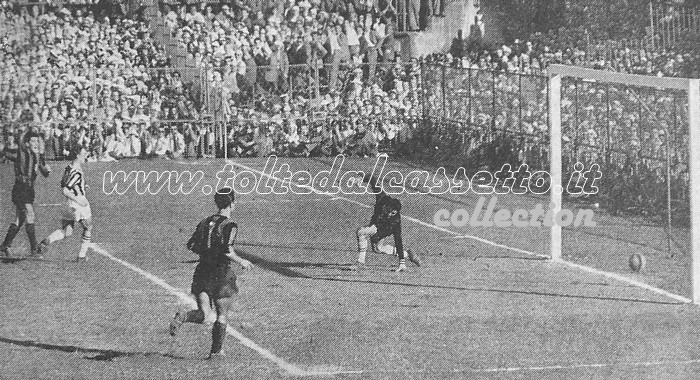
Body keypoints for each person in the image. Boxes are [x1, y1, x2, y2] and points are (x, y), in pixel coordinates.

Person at [169, 187, 254, 359]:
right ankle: (216, 352)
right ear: (231, 203)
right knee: (221, 315)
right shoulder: (230, 225)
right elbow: (227, 250)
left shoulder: (204, 222)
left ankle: (183, 316)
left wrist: (206, 252)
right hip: (220, 273)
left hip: (202, 272)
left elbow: (191, 245)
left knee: (203, 314)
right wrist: (242, 261)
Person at [354, 174, 421, 272]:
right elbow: (372, 179)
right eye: (388, 211)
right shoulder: (381, 197)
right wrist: (361, 178)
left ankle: (360, 262)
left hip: (384, 229)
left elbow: (398, 240)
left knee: (369, 239)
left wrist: (401, 263)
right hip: (376, 224)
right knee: (377, 247)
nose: (389, 214)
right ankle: (408, 254)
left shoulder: (396, 222)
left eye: (392, 213)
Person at [0, 130, 51, 257]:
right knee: (30, 213)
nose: (36, 144)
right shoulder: (21, 153)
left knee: (20, 218)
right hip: (20, 188)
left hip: (29, 190)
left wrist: (47, 170)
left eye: (37, 141)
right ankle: (34, 248)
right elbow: (5, 153)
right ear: (27, 144)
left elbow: (44, 172)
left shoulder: (37, 156)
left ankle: (5, 245)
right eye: (33, 141)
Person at [37, 145, 92, 262]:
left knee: (67, 231)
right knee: (88, 227)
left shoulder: (69, 167)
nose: (85, 156)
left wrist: (82, 185)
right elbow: (65, 190)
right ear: (77, 155)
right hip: (77, 205)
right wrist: (79, 199)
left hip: (67, 205)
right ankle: (82, 256)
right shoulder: (76, 172)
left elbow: (64, 182)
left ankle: (46, 241)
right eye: (84, 154)